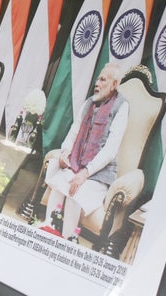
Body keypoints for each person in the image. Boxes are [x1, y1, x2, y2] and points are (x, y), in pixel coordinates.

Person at [43, 62, 129, 239]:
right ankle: (49, 229)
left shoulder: (122, 106)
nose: (97, 83)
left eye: (103, 80)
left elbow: (111, 149)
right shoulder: (89, 103)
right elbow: (74, 132)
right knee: (61, 181)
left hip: (98, 175)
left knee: (76, 191)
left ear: (114, 84)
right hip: (76, 166)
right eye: (97, 79)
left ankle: (67, 238)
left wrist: (86, 172)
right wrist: (65, 153)